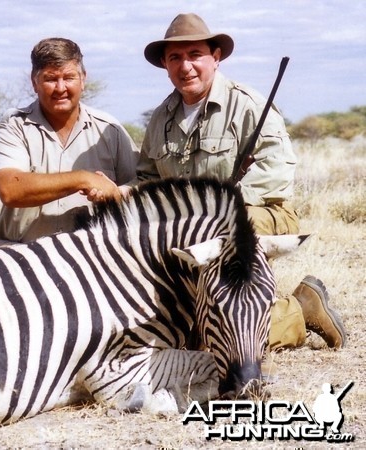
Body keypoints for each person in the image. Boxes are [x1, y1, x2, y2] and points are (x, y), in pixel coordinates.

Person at [138, 13, 346, 351]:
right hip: (194, 231)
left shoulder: (247, 104)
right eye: (175, 57)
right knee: (189, 322)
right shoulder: (161, 118)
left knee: (204, 339)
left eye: (195, 55)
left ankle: (296, 314)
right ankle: (295, 308)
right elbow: (147, 178)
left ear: (215, 58)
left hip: (261, 216)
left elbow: (277, 171)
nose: (185, 66)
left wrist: (221, 209)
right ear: (164, 63)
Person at [0, 37, 139, 245]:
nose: (60, 88)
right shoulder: (14, 127)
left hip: (93, 260)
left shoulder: (110, 130)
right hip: (22, 259)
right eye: (51, 79)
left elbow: (141, 184)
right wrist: (83, 179)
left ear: (83, 79)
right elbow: (10, 189)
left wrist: (116, 193)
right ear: (34, 82)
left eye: (69, 77)